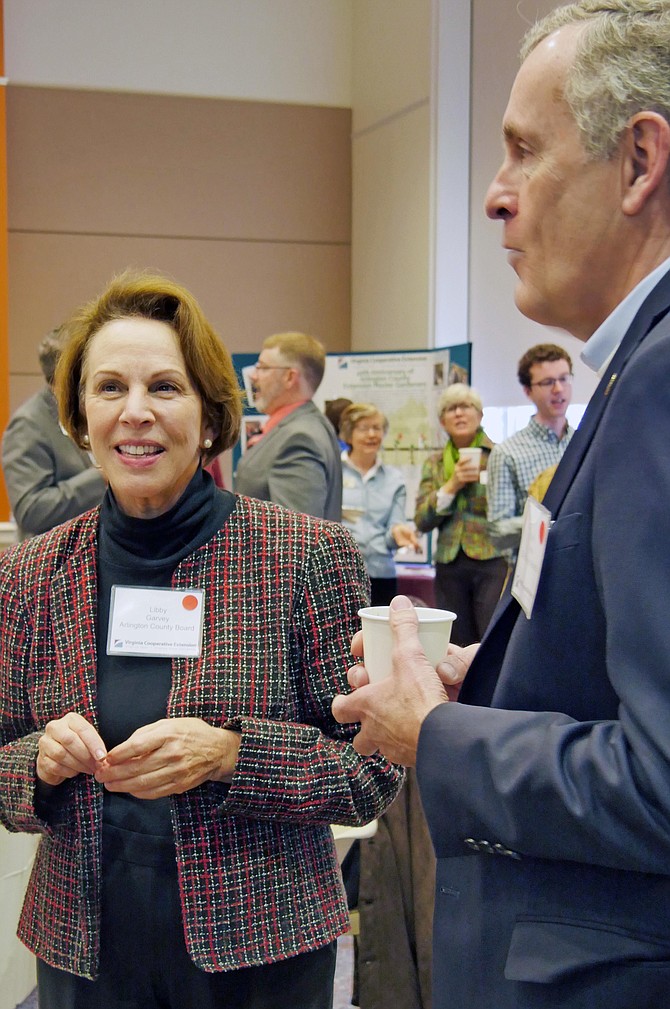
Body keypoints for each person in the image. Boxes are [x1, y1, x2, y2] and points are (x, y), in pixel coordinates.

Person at [333, 3, 670, 1006]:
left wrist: (432, 733)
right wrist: (508, 670)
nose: (494, 196)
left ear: (640, 161)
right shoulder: (627, 377)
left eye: (523, 151)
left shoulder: (657, 383)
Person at [0, 271, 403, 1009]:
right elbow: (1, 758)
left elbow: (371, 770)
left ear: (212, 415)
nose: (136, 413)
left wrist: (232, 755)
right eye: (110, 388)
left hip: (261, 956)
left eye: (165, 387)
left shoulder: (305, 557)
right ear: (80, 417)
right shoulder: (30, 571)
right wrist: (40, 761)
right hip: (85, 954)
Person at [414, 384, 507, 646]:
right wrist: (451, 485)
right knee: (454, 642)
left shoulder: (499, 455)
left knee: (490, 639)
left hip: (492, 559)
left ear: (479, 415)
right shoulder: (435, 463)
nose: (459, 414)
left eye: (466, 407)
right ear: (443, 421)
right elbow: (422, 519)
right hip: (449, 563)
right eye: (451, 409)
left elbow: (510, 510)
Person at [1, 326, 106, 539]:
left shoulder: (90, 410)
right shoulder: (28, 424)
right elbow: (31, 511)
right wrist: (102, 475)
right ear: (65, 372)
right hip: (52, 563)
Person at [234, 331, 342, 519]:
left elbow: (297, 539)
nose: (253, 376)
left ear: (290, 377)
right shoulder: (309, 425)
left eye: (262, 368)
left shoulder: (300, 438)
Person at [486, 343, 574, 556]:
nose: (558, 389)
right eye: (547, 382)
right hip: (533, 578)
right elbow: (498, 532)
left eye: (564, 378)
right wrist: (552, 521)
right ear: (528, 391)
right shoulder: (507, 453)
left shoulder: (585, 443)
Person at [339, 402, 420, 605]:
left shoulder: (395, 480)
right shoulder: (333, 473)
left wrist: (398, 533)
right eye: (364, 428)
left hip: (381, 573)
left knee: (380, 636)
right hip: (340, 574)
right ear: (349, 434)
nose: (372, 434)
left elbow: (394, 527)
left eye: (377, 428)